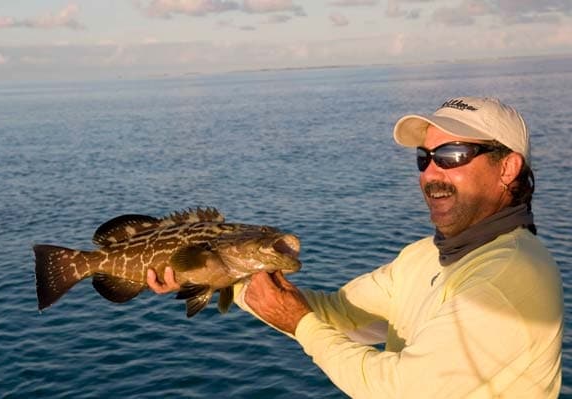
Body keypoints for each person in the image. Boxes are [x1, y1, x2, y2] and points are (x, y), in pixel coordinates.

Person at [147, 97, 563, 398]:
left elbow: (401, 390)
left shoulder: (508, 275)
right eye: (425, 158)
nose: (431, 173)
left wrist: (301, 326)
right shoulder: (424, 256)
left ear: (507, 167)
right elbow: (342, 317)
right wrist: (225, 276)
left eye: (452, 155)